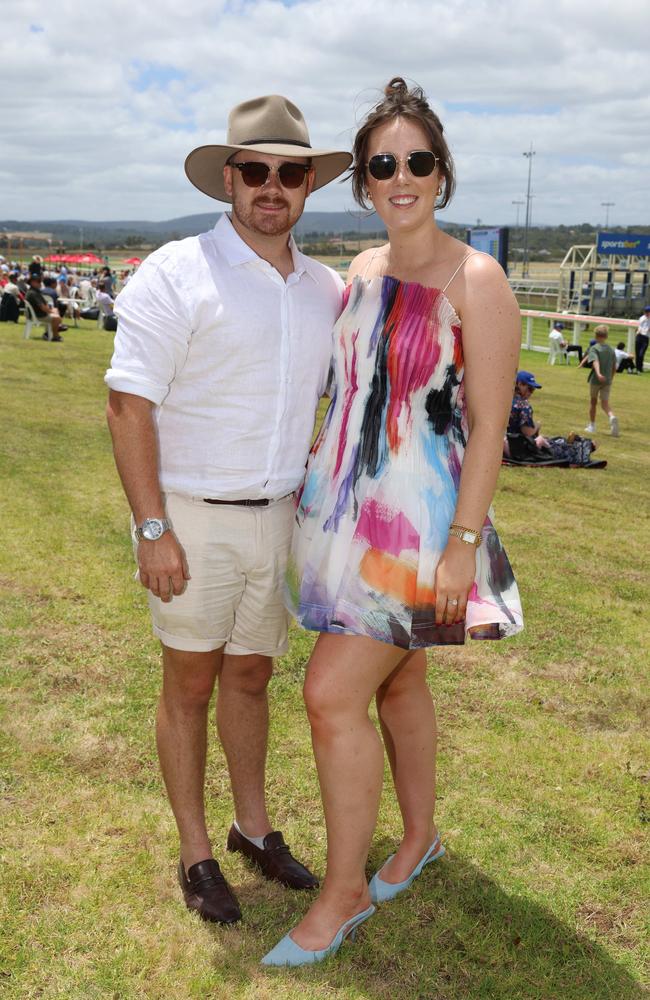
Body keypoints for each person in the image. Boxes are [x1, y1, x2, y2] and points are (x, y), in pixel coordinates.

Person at [261, 78, 524, 968]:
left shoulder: (476, 279)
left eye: (417, 161)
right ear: (364, 184)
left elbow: (489, 426)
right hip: (343, 517)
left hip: (420, 530)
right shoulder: (362, 274)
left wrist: (461, 547)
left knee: (331, 694)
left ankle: (341, 897)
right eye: (383, 164)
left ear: (439, 174)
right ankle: (418, 841)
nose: (400, 176)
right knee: (398, 686)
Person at [105, 94, 352, 927]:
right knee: (190, 686)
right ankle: (195, 850)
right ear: (229, 179)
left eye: (289, 172)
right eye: (256, 171)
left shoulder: (326, 289)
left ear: (310, 183)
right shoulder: (176, 272)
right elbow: (128, 406)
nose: (271, 187)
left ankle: (253, 829)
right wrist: (151, 527)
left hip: (278, 515)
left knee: (253, 676)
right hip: (191, 516)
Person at [584, 324, 619, 436]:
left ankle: (592, 426)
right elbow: (614, 367)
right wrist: (610, 378)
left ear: (596, 336)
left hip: (596, 380)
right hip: (607, 380)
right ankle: (612, 416)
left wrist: (598, 373)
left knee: (593, 402)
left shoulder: (594, 348)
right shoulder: (611, 350)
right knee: (605, 404)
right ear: (606, 336)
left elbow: (595, 361)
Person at [505, 370, 551, 455]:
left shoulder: (502, 398)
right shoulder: (523, 405)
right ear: (519, 384)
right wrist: (537, 426)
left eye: (532, 390)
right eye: (530, 389)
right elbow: (527, 432)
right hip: (514, 447)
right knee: (543, 441)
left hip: (497, 443)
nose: (531, 393)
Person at [25, 275, 67, 340]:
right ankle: (55, 336)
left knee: (56, 311)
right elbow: (42, 307)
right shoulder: (33, 293)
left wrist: (52, 310)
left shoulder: (33, 291)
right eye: (38, 282)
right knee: (57, 318)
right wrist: (51, 311)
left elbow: (44, 304)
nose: (40, 283)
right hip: (39, 315)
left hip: (37, 314)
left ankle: (50, 332)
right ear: (32, 282)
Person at [635, 305, 649, 373]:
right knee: (637, 353)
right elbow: (639, 326)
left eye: (647, 312)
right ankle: (638, 368)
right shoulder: (642, 318)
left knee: (641, 354)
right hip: (639, 336)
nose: (646, 313)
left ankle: (640, 367)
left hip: (645, 338)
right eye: (645, 312)